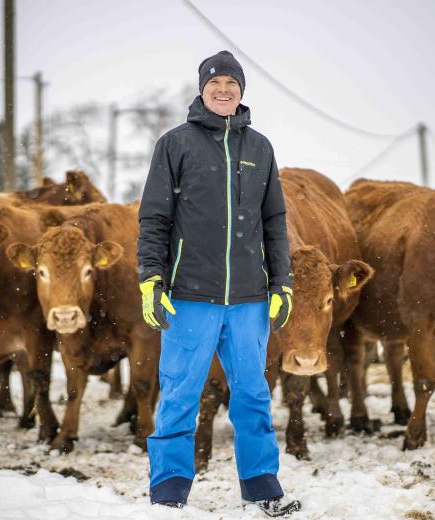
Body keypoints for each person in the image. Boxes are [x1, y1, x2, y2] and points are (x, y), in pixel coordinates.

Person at [137, 50, 301, 517]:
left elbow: (274, 222)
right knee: (179, 394)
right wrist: (151, 280)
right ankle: (168, 495)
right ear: (202, 90)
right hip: (190, 296)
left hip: (249, 299)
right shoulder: (175, 144)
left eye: (232, 84)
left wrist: (282, 283)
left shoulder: (260, 148)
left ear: (242, 91)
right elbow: (154, 219)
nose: (223, 90)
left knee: (252, 395)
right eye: (215, 84)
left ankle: (263, 489)